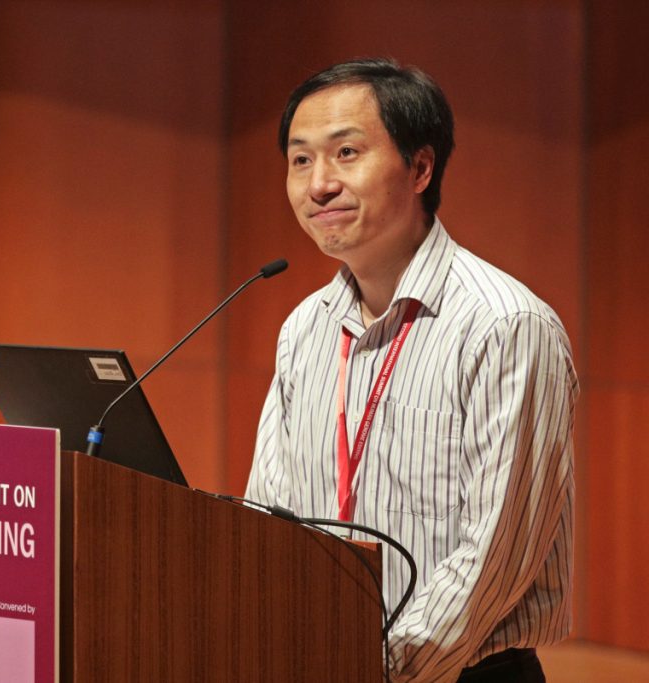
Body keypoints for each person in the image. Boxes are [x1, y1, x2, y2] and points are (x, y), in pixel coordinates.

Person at [244, 58, 577, 683]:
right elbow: (270, 515)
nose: (319, 184)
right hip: (324, 662)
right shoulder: (305, 328)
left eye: (346, 153)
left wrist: (376, 665)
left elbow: (497, 555)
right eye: (300, 159)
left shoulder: (504, 325)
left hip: (458, 673)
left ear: (420, 168)